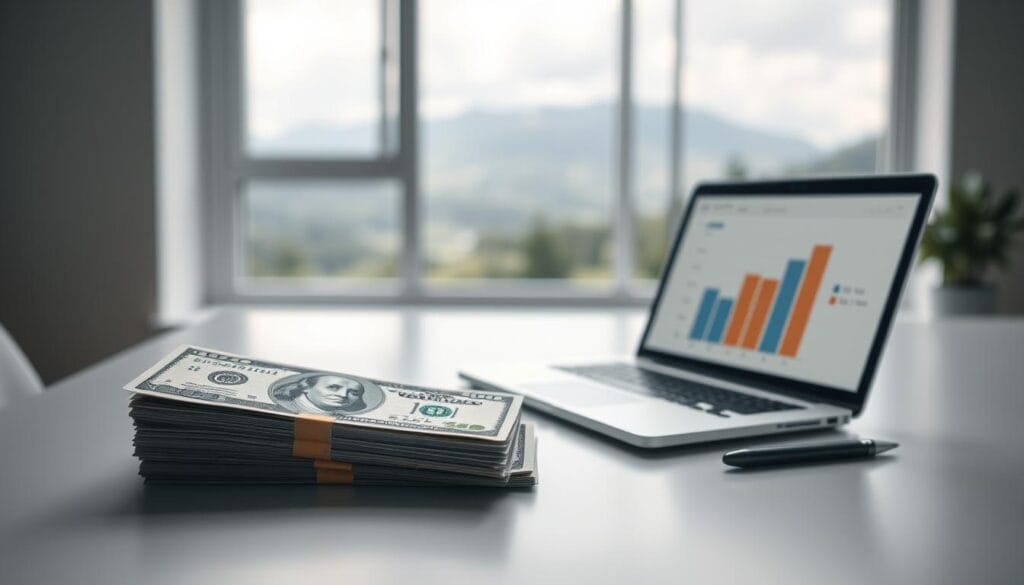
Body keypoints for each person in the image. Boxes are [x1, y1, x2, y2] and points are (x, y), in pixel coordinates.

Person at [271, 373, 369, 415]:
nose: (343, 395)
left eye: (354, 392)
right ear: (306, 387)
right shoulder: (282, 404)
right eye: (333, 387)